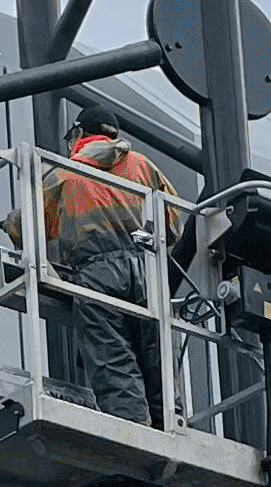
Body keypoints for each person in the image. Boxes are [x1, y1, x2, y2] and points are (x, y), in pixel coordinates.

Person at [35, 118, 171, 424]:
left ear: (81, 134)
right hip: (147, 271)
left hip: (97, 276)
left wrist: (8, 224)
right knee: (158, 365)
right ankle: (169, 436)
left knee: (114, 363)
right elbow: (172, 224)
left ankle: (136, 443)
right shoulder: (143, 165)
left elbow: (29, 227)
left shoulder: (62, 175)